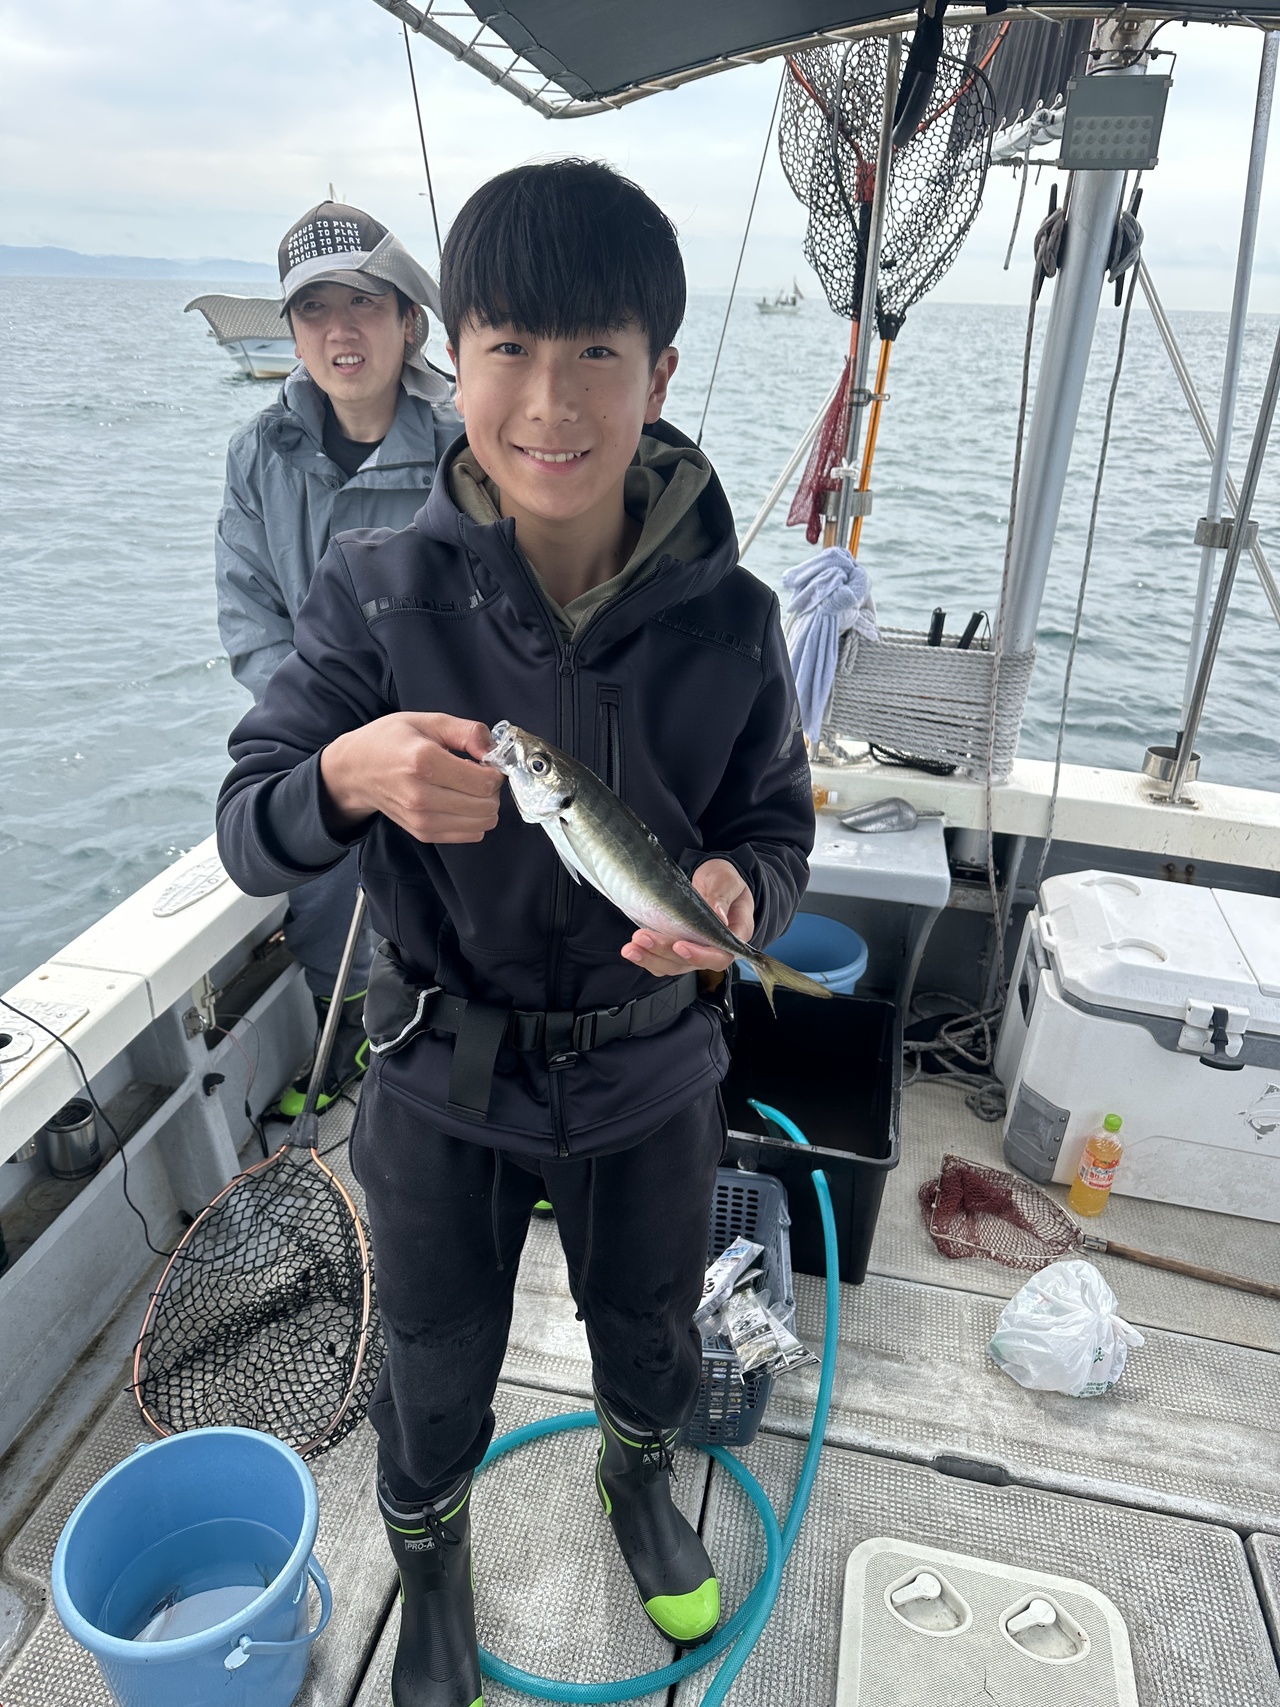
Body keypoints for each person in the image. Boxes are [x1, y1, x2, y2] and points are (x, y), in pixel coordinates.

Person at [216, 159, 813, 1707]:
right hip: (439, 1076)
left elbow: (774, 823)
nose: (550, 401)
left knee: (650, 1329)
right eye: (510, 349)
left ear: (659, 373)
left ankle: (637, 1482)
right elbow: (249, 820)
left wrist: (745, 897)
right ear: (457, 359)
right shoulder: (373, 598)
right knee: (430, 1358)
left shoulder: (735, 620)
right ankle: (433, 1571)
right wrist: (345, 778)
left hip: (651, 1072)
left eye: (596, 351)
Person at [215, 201, 460, 1116]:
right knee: (313, 879)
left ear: (410, 322)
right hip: (317, 738)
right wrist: (333, 739)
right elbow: (249, 614)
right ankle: (343, 1039)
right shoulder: (257, 454)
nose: (339, 330)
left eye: (363, 302)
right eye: (313, 308)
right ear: (292, 332)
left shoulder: (466, 443)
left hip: (453, 740)